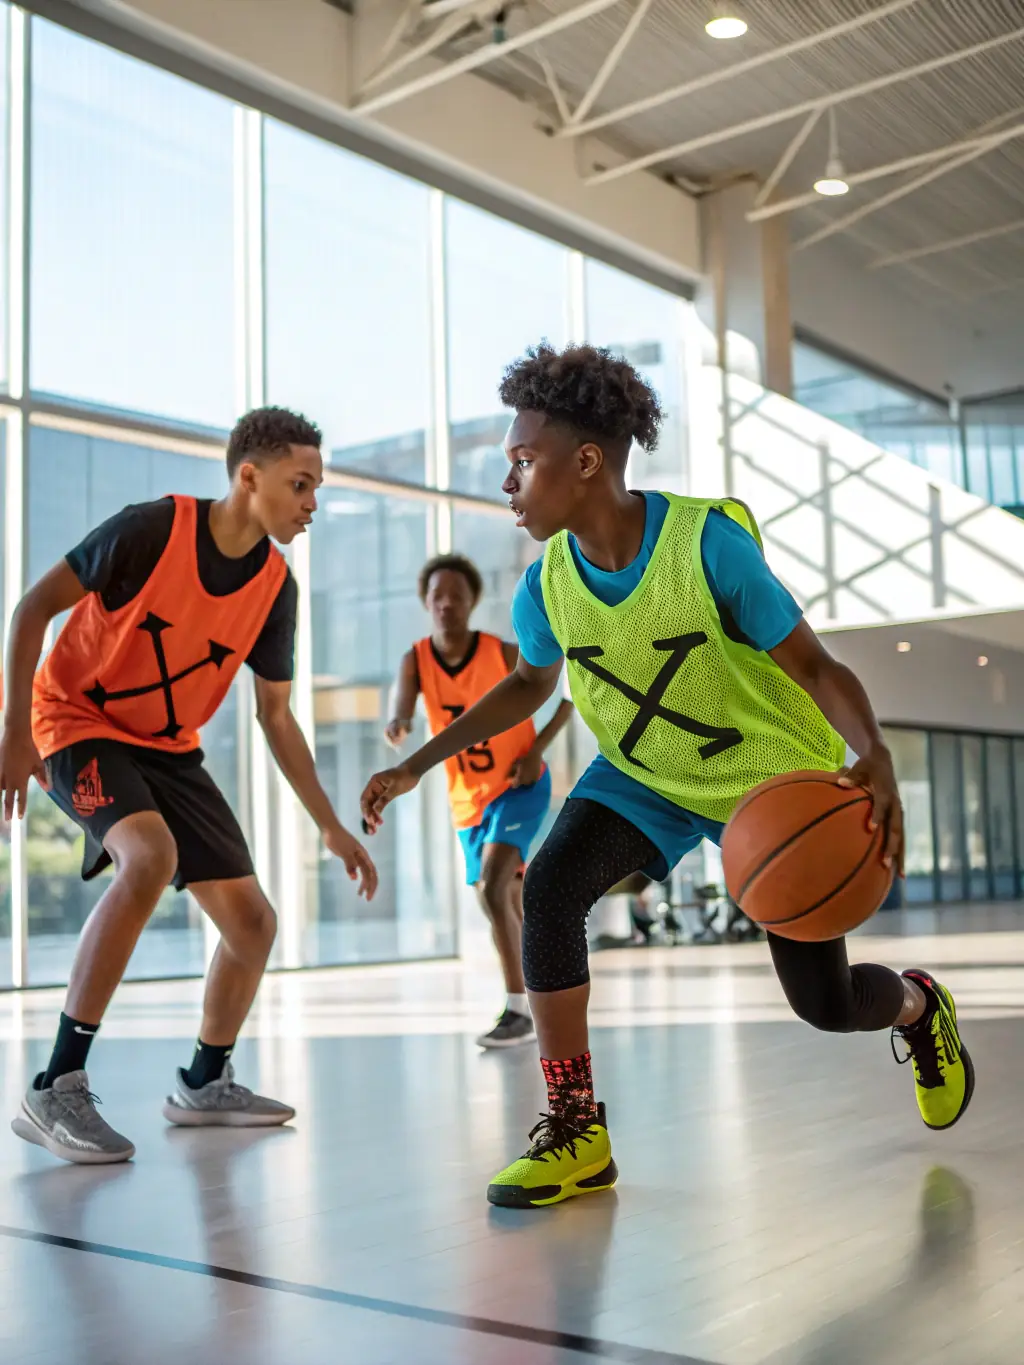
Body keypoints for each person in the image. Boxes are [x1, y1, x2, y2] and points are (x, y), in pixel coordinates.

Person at [361, 344, 974, 1208]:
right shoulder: (547, 585)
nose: (508, 483)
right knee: (550, 890)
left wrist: (871, 751)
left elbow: (816, 666)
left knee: (826, 1005)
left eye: (521, 462)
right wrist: (416, 764)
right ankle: (575, 1131)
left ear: (585, 462)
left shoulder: (708, 546)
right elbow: (532, 683)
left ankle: (918, 1010)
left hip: (770, 781)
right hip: (644, 774)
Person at [0, 406, 378, 1165]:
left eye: (316, 488)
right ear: (249, 476)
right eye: (300, 485)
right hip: (73, 719)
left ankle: (204, 1084)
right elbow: (33, 607)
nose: (312, 504)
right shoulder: (149, 529)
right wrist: (12, 733)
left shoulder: (275, 587)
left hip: (169, 747)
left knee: (252, 925)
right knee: (148, 857)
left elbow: (276, 715)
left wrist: (329, 824)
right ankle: (56, 1082)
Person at [385, 553, 572, 1047]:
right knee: (504, 900)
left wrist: (536, 750)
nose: (446, 604)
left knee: (494, 889)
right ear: (426, 603)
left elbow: (569, 692)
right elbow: (399, 706)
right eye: (437, 596)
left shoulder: (504, 651)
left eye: (457, 596)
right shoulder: (416, 659)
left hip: (519, 786)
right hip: (468, 801)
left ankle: (519, 1011)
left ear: (472, 602)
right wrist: (398, 724)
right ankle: (547, 993)